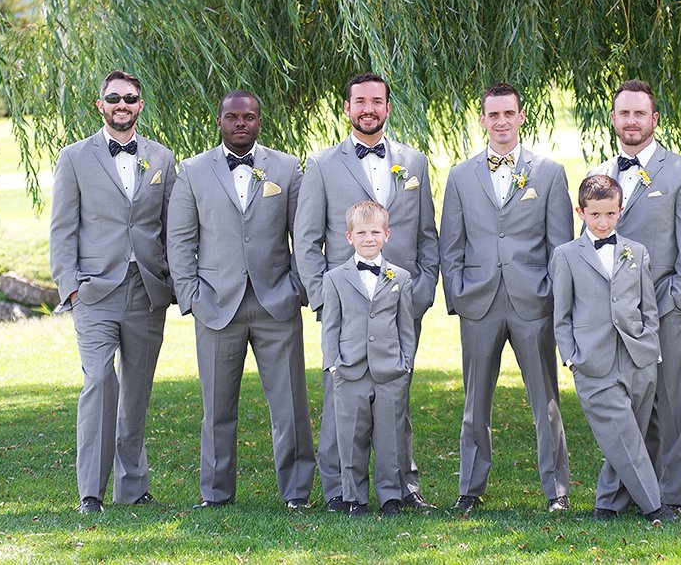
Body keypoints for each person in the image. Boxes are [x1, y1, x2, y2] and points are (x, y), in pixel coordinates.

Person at [295, 73, 438, 511]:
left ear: (388, 108)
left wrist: (423, 291)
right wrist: (326, 297)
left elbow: (427, 234)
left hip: (399, 299)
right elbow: (305, 240)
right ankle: (340, 491)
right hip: (347, 304)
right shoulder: (321, 165)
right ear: (347, 108)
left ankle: (402, 488)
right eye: (360, 102)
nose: (368, 109)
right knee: (343, 402)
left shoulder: (414, 163)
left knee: (398, 401)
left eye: (377, 101)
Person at [166, 90, 316, 510]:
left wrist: (298, 287)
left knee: (290, 406)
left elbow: (302, 234)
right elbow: (179, 240)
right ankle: (215, 494)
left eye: (249, 117)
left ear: (259, 121)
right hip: (216, 306)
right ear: (219, 121)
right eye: (232, 117)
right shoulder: (193, 171)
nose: (240, 124)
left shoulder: (286, 168)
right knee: (217, 408)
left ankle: (297, 492)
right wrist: (191, 296)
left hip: (277, 304)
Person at [439, 82, 573, 512]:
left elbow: (560, 245)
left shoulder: (549, 173)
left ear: (521, 117)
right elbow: (450, 244)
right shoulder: (461, 176)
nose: (500, 122)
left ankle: (556, 491)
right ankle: (470, 489)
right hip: (478, 302)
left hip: (533, 301)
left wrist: (551, 296)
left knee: (546, 401)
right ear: (483, 120)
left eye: (508, 114)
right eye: (492, 115)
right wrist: (458, 295)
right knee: (475, 402)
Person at [50, 70, 176, 514]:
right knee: (101, 382)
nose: (122, 105)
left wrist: (174, 282)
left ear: (141, 105)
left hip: (146, 291)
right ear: (99, 104)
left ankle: (133, 486)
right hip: (95, 292)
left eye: (130, 98)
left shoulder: (162, 158)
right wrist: (70, 289)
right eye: (113, 98)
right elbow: (63, 229)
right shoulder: (74, 158)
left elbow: (171, 229)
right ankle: (91, 492)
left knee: (137, 390)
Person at [589, 79, 681, 510]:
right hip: (616, 314)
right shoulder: (597, 174)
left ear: (654, 120)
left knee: (673, 403)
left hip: (666, 306)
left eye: (640, 113)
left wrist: (676, 301)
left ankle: (675, 494)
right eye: (624, 113)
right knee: (629, 403)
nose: (632, 121)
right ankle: (632, 492)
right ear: (614, 119)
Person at [550, 175, 676, 525]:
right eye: (594, 215)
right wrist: (572, 357)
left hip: (638, 358)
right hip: (593, 360)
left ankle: (608, 503)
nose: (603, 222)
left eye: (610, 214)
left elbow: (648, 307)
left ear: (620, 210)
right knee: (624, 436)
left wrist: (651, 347)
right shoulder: (566, 256)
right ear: (581, 212)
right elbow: (561, 314)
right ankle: (655, 506)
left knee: (626, 436)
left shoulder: (636, 252)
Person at [320, 201, 418, 516]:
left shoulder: (400, 277)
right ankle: (354, 498)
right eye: (361, 233)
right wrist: (333, 363)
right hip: (349, 371)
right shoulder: (335, 278)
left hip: (390, 370)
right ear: (349, 237)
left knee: (390, 438)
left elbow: (406, 326)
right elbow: (331, 326)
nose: (369, 238)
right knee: (351, 438)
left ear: (386, 234)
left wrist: (406, 364)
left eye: (375, 232)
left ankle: (390, 497)